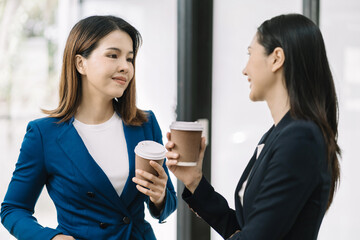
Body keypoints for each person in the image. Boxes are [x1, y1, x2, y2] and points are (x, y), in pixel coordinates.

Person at [165, 13, 341, 240]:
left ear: (276, 58)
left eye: (250, 54)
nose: (245, 69)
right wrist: (194, 181)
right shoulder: (279, 133)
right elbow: (245, 228)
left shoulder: (300, 138)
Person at [1, 15, 177, 240]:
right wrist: (52, 238)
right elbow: (13, 209)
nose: (125, 66)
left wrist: (160, 196)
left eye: (130, 58)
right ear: (80, 63)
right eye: (113, 55)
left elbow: (168, 203)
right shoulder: (44, 135)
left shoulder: (145, 124)